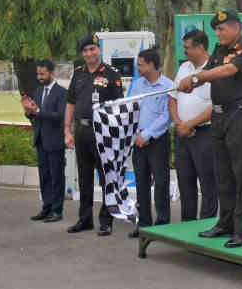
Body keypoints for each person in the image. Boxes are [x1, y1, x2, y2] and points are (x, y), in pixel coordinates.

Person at [177, 9, 242, 248]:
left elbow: (227, 70)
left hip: (240, 114)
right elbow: (206, 73)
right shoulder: (219, 50)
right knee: (222, 173)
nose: (219, 33)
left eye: (222, 29)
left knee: (241, 174)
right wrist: (191, 82)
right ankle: (225, 223)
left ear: (237, 28)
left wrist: (195, 79)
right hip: (220, 115)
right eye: (216, 29)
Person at [64, 33, 124, 236]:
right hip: (81, 131)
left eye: (93, 49)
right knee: (84, 177)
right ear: (82, 53)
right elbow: (70, 102)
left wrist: (115, 134)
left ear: (99, 50)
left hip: (103, 133)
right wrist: (67, 130)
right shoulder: (78, 73)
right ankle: (85, 218)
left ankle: (106, 220)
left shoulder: (111, 74)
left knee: (107, 177)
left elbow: (118, 107)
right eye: (86, 50)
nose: (89, 53)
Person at [170, 29, 218, 223]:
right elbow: (172, 98)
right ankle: (187, 226)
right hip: (182, 135)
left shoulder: (215, 69)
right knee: (185, 183)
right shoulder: (184, 68)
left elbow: (215, 106)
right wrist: (179, 124)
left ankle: (208, 225)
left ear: (200, 47)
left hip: (205, 134)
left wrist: (189, 124)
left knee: (208, 183)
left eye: (187, 47)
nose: (185, 51)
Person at [127, 48, 173, 238]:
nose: (138, 68)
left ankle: (162, 224)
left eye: (141, 64)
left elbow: (167, 116)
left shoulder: (168, 85)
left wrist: (147, 135)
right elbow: (131, 108)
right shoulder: (137, 84)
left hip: (157, 141)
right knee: (141, 184)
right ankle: (144, 224)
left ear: (152, 65)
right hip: (137, 141)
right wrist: (137, 134)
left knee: (161, 183)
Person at [22, 59, 67, 223]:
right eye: (38, 74)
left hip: (55, 142)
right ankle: (46, 207)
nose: (39, 77)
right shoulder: (38, 91)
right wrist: (28, 111)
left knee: (56, 177)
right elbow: (35, 116)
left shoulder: (62, 93)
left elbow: (60, 117)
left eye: (42, 74)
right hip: (40, 140)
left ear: (51, 73)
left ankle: (57, 210)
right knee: (44, 177)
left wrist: (38, 111)